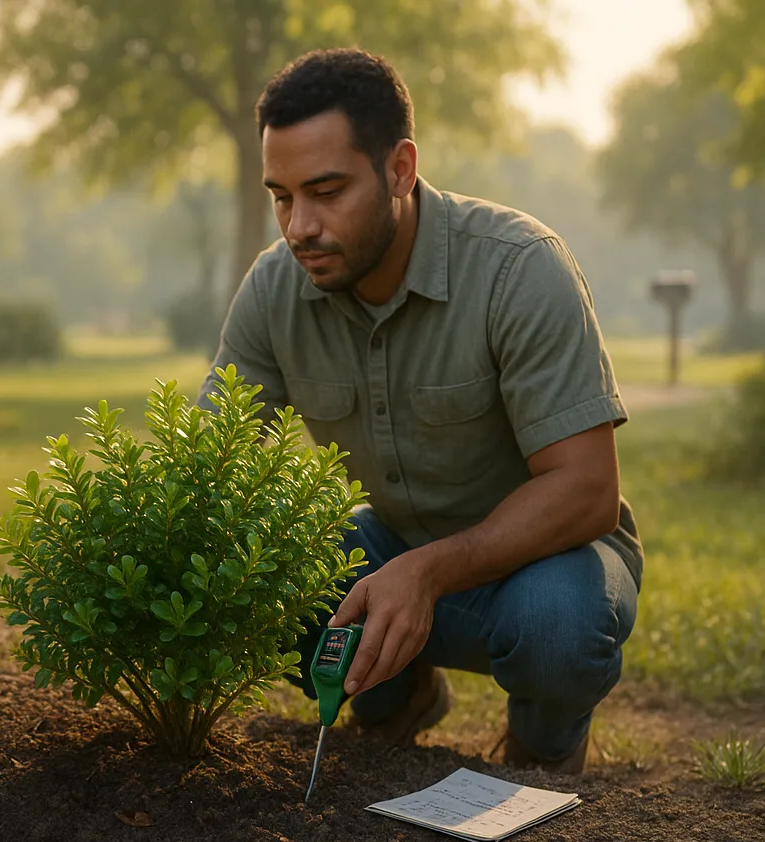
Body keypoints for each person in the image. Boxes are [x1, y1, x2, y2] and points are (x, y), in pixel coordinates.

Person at [198, 48, 641, 775]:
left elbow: (587, 489)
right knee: (269, 569)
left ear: (400, 169)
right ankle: (394, 704)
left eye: (327, 190)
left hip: (549, 561)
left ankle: (539, 753)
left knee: (556, 628)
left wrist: (428, 573)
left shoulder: (518, 267)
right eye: (282, 196)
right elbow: (209, 463)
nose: (298, 225)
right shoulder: (275, 288)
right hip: (392, 548)